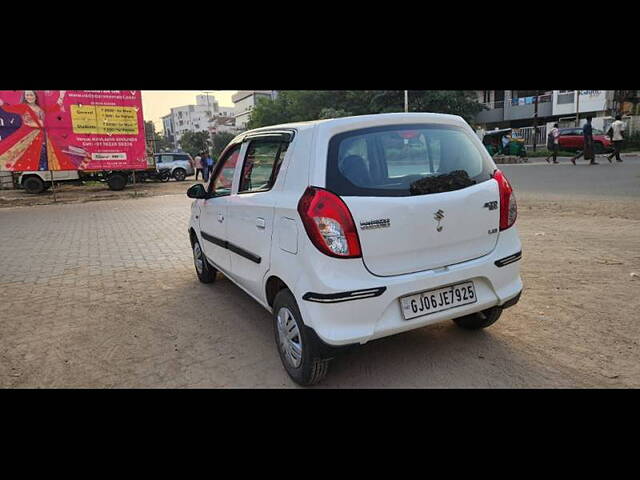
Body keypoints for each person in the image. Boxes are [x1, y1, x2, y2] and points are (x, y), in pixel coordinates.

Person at [0, 90, 74, 171]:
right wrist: (2, 103)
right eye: (27, 95)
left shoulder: (41, 108)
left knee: (49, 156)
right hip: (28, 136)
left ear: (35, 96)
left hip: (42, 136)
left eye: (31, 95)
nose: (29, 97)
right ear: (24, 96)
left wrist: (61, 96)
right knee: (27, 157)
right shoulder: (23, 107)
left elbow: (55, 108)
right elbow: (9, 108)